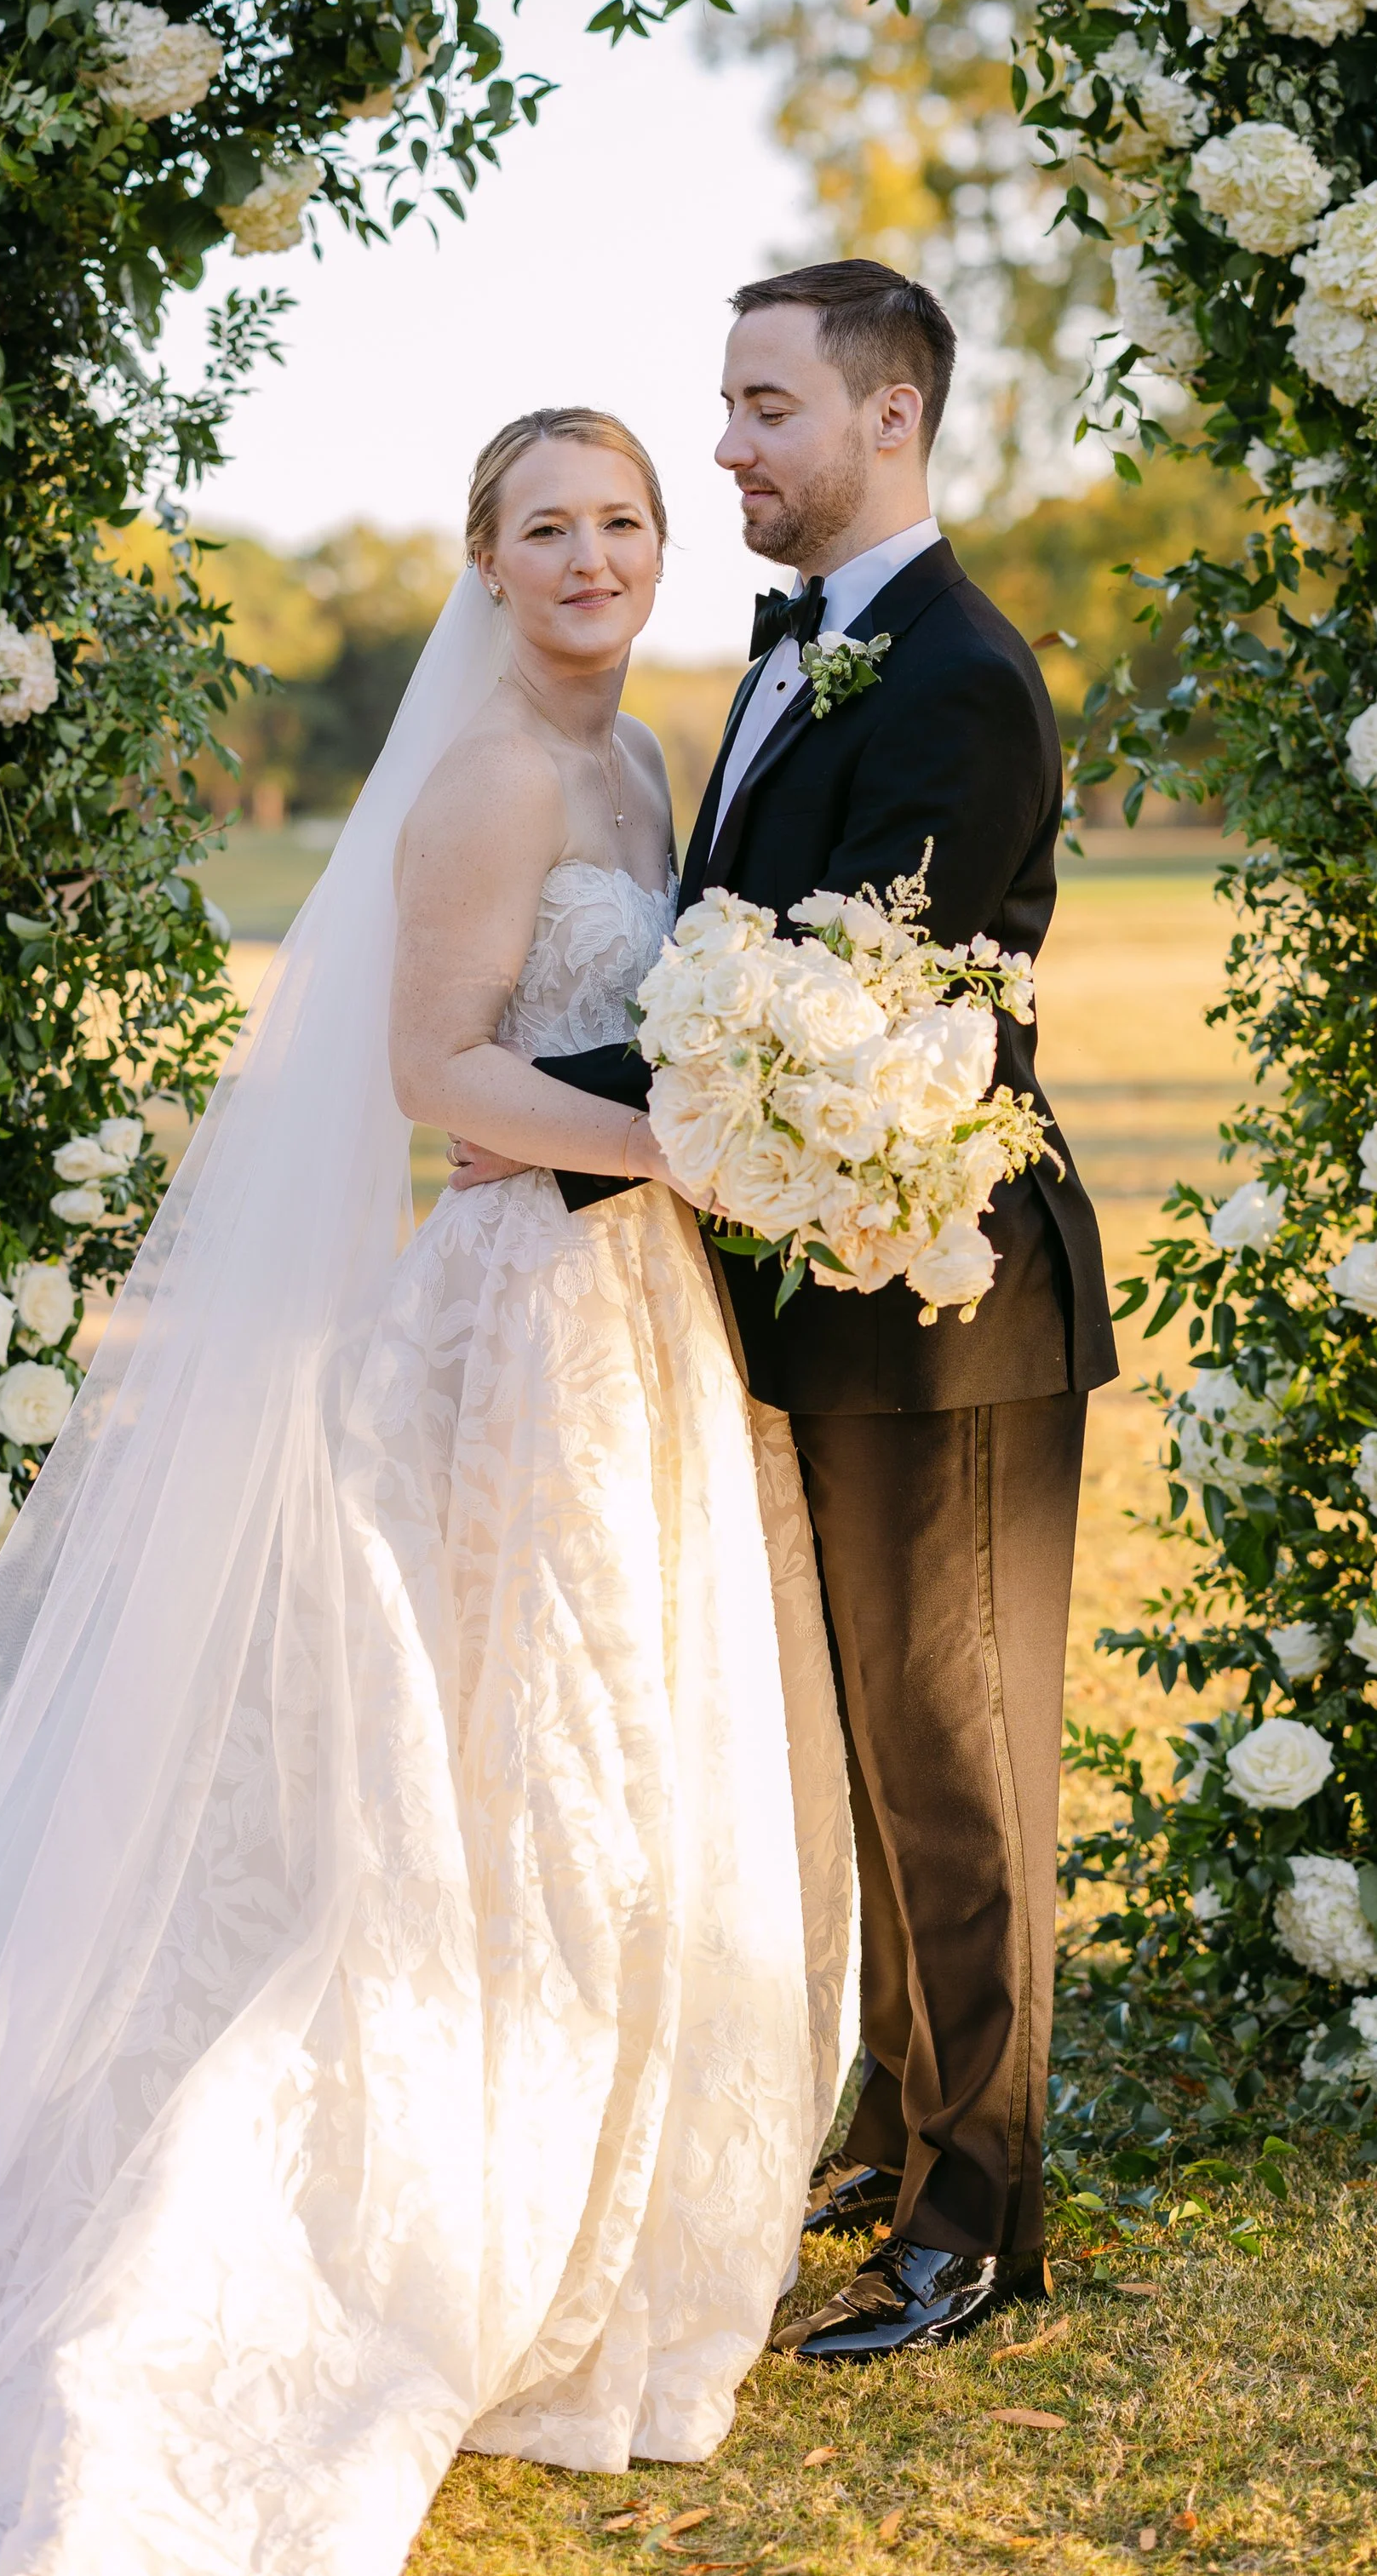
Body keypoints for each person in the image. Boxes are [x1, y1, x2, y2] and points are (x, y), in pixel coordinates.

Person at [0, 410, 854, 2576]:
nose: (590, 558)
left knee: (603, 1736)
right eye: (546, 529)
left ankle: (605, 2201)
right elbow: (433, 1071)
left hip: (643, 1308)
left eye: (621, 523)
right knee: (511, 1751)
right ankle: (435, 2222)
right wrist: (696, 1139)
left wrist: (724, 1136)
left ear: (654, 548)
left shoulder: (649, 755)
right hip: (523, 1302)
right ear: (483, 563)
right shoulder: (497, 770)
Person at [464, 265, 1116, 2358]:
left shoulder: (950, 679)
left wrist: (525, 1121)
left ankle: (970, 2217)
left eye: (761, 409)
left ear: (888, 417)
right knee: (839, 1743)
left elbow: (839, 1046)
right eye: (724, 406)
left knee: (950, 1755)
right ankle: (887, 2116)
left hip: (940, 1308)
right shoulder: (800, 657)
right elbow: (727, 1001)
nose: (725, 448)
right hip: (784, 1293)